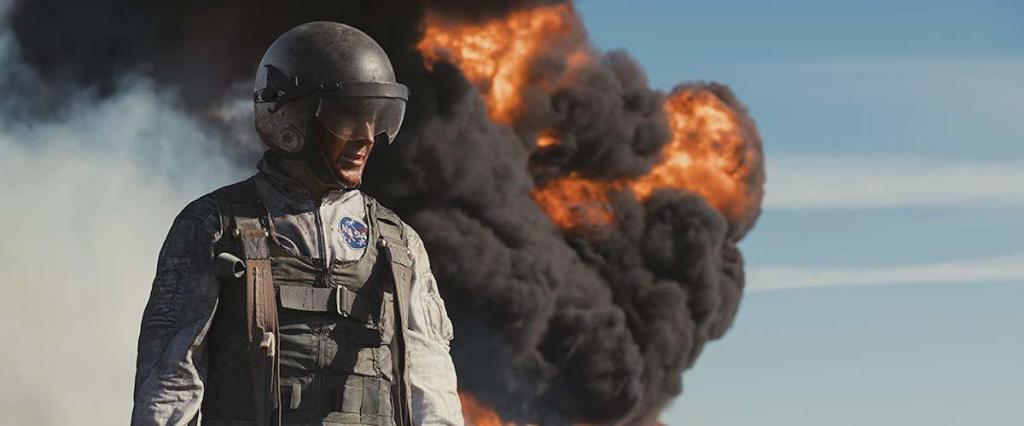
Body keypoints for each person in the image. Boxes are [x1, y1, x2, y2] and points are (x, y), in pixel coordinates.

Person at [131, 22, 464, 426]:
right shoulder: (214, 226)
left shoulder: (400, 245)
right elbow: (171, 382)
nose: (366, 138)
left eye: (376, 118)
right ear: (291, 119)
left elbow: (432, 389)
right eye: (347, 118)